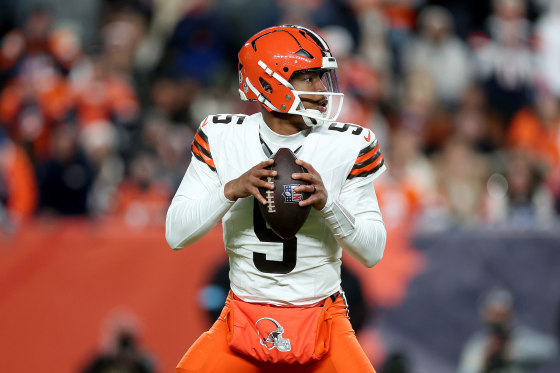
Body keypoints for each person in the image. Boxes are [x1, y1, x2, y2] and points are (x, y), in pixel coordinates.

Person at [166, 24, 387, 372]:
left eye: (322, 77)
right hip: (242, 316)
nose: (322, 89)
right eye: (308, 78)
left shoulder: (348, 144)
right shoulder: (222, 136)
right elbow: (176, 234)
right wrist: (231, 190)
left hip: (323, 320)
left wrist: (328, 205)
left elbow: (373, 252)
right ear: (268, 84)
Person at [457, 289, 558, 373]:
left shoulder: (519, 337)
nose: (497, 321)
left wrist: (510, 352)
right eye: (493, 315)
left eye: (500, 315)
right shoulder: (478, 345)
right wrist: (485, 358)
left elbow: (550, 349)